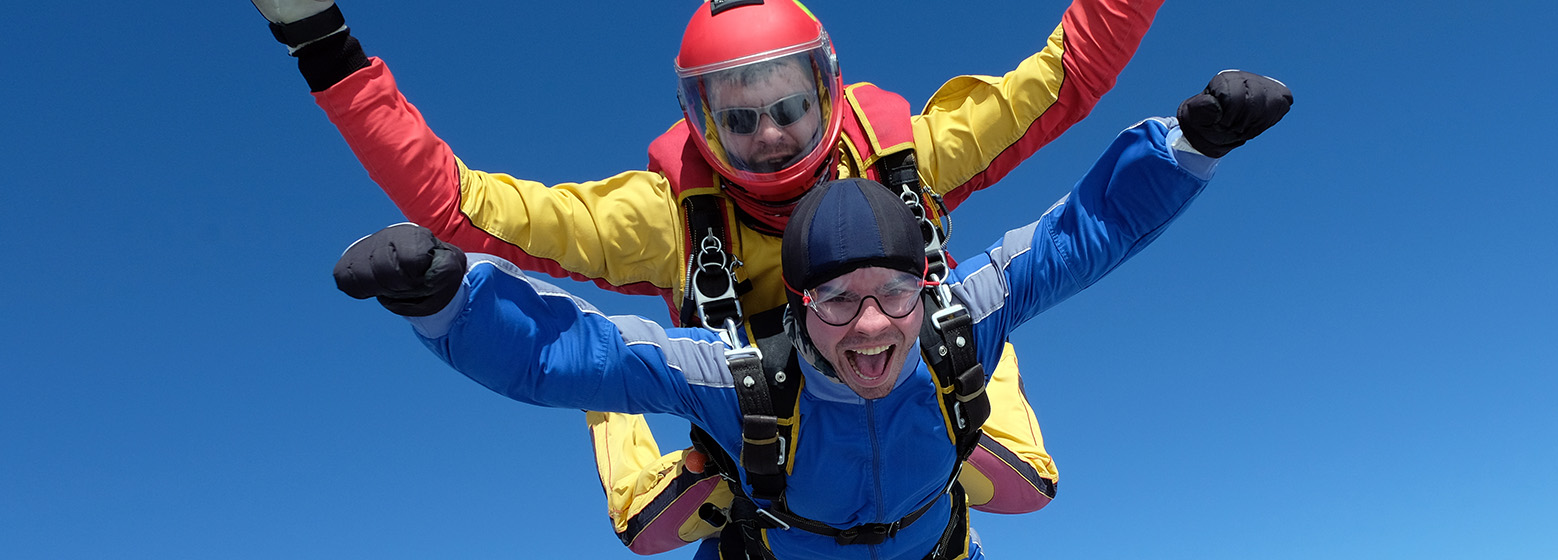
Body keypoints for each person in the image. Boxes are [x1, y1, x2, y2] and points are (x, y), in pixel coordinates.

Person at [250, 0, 1164, 552]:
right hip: (755, 449)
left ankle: (969, 370)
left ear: (828, 92)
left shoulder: (906, 160)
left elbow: (1070, 72)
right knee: (648, 529)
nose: (769, 134)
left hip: (916, 399)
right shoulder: (667, 222)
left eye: (788, 106)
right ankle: (614, 416)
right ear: (700, 122)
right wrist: (323, 48)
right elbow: (462, 206)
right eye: (739, 117)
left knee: (1018, 461)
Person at [333, 71, 1291, 560]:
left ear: (927, 282)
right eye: (837, 301)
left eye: (895, 295)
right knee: (639, 499)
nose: (870, 327)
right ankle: (635, 445)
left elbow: (1083, 236)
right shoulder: (742, 373)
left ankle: (984, 414)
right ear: (795, 305)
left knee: (1026, 464)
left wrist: (1187, 148)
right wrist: (449, 301)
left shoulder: (960, 317)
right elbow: (565, 355)